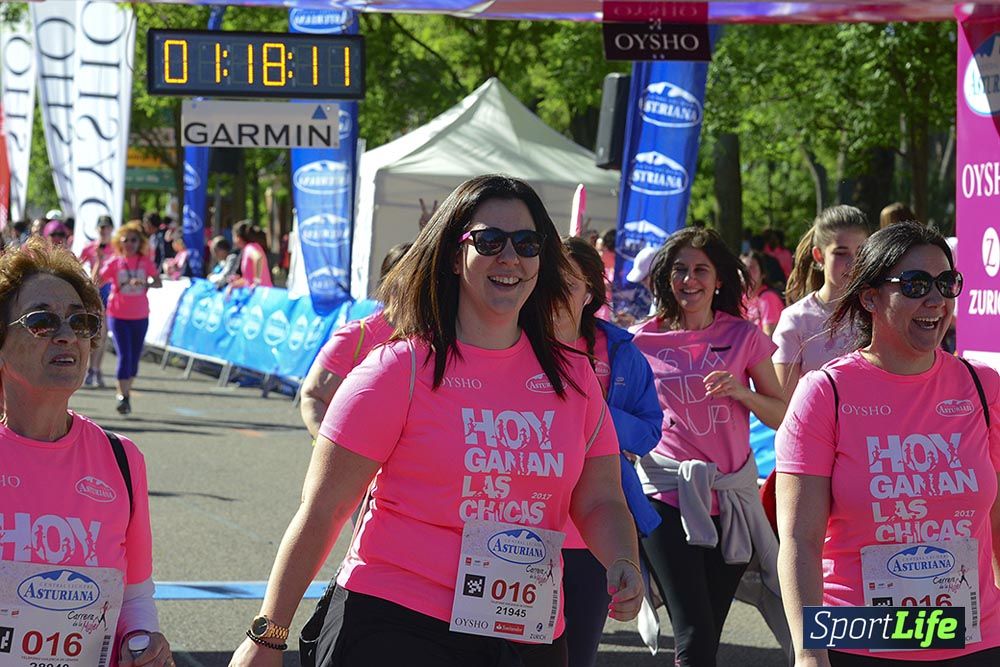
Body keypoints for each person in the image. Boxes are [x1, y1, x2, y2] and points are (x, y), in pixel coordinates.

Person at [230, 174, 642, 667]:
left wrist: (623, 560)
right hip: (398, 620)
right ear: (452, 254)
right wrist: (267, 635)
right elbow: (322, 512)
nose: (509, 257)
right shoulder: (397, 370)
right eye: (489, 241)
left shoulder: (572, 377)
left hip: (523, 629)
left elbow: (600, 497)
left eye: (527, 243)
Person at [775, 221, 1000, 666]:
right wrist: (808, 651)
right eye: (915, 284)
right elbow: (800, 540)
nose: (935, 299)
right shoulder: (826, 393)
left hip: (973, 639)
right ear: (870, 297)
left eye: (946, 283)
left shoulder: (982, 386)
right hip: (858, 640)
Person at [0, 236, 172, 666]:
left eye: (81, 323)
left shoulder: (122, 460)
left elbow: (134, 596)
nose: (67, 336)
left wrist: (144, 641)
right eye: (42, 322)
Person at [630, 227, 787, 667]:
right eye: (680, 269)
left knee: (708, 634)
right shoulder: (641, 341)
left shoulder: (743, 336)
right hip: (664, 495)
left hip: (731, 501)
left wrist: (742, 393)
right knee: (694, 632)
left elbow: (780, 414)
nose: (689, 279)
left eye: (701, 269)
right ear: (666, 276)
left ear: (719, 279)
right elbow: (619, 414)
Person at [555, 236, 663, 667]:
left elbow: (649, 431)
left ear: (590, 294)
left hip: (592, 534)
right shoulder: (506, 342)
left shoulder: (621, 352)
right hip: (516, 527)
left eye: (570, 283)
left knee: (576, 654)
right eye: (550, 279)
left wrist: (593, 416)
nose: (558, 292)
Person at [299, 242, 412, 439]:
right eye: (412, 275)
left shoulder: (441, 339)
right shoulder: (357, 335)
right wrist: (330, 450)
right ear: (390, 282)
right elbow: (313, 396)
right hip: (358, 464)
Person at [773, 206, 870, 401]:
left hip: (876, 429)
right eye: (841, 253)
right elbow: (782, 406)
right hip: (816, 429)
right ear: (819, 256)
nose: (853, 262)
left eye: (860, 252)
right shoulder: (797, 319)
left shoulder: (882, 311)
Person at [94, 221, 162, 415]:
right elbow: (97, 282)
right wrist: (99, 261)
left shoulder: (145, 261)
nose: (130, 243)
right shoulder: (115, 262)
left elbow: (158, 283)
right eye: (126, 240)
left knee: (134, 360)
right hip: (118, 315)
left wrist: (146, 282)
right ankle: (122, 397)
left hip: (140, 315)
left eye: (134, 240)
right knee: (124, 356)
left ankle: (126, 393)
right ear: (119, 242)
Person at [79, 215, 115, 388]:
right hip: (95, 291)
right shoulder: (90, 248)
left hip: (110, 292)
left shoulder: (117, 248)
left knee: (103, 332)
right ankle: (89, 368)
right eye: (101, 228)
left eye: (107, 227)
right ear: (97, 229)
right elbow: (78, 266)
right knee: (93, 331)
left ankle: (96, 368)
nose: (104, 230)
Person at [741, 250, 785, 337]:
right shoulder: (743, 299)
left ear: (763, 274)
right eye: (743, 269)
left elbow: (769, 337)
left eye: (752, 268)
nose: (747, 273)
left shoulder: (768, 298)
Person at [229, 220, 272, 289]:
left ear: (238, 237)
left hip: (262, 294)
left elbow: (258, 258)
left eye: (233, 236)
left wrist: (257, 281)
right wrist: (234, 285)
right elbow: (248, 279)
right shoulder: (247, 250)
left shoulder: (250, 248)